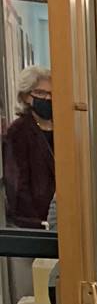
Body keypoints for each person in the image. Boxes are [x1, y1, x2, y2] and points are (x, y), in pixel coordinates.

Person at [3, 65, 56, 226]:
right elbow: (18, 185)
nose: (47, 98)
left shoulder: (64, 128)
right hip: (37, 222)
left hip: (64, 215)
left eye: (51, 94)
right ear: (26, 96)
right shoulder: (18, 131)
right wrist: (38, 223)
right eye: (40, 93)